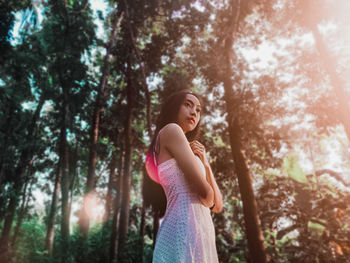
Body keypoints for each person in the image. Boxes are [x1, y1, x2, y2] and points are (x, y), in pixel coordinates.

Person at [145, 90, 223, 263]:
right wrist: (208, 198)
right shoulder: (171, 130)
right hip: (182, 230)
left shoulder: (190, 152)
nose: (194, 111)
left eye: (198, 109)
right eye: (188, 105)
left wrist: (206, 164)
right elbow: (206, 195)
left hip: (199, 234)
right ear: (174, 108)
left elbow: (217, 206)